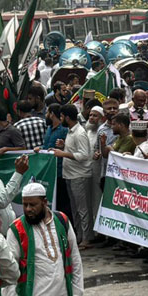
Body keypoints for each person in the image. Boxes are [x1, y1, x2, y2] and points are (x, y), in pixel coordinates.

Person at [49, 104, 94, 247]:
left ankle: (87, 238)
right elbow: (75, 150)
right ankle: (80, 236)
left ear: (67, 118)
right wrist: (63, 146)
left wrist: (63, 153)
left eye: (61, 116)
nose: (60, 119)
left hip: (79, 176)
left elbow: (84, 155)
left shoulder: (80, 133)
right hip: (70, 174)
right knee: (75, 209)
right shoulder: (71, 131)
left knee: (82, 209)